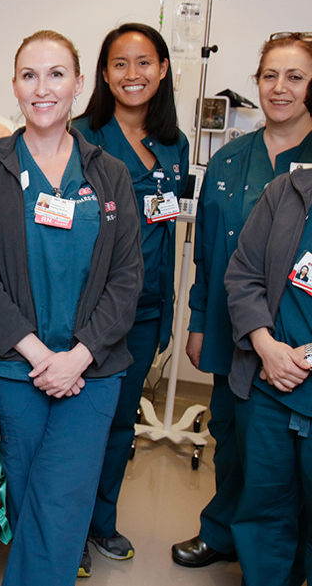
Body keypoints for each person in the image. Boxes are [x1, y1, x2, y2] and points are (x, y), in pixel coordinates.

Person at [0, 30, 142, 586]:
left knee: (63, 504)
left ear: (79, 84)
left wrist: (78, 357)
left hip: (93, 373)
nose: (43, 88)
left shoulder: (108, 174)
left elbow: (127, 278)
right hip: (18, 368)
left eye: (57, 74)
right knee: (29, 497)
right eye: (30, 75)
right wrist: (41, 355)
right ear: (15, 86)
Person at [179, 32, 312, 573]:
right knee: (233, 439)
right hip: (231, 324)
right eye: (269, 76)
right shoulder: (231, 159)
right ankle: (223, 532)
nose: (279, 88)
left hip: (298, 335)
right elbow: (210, 252)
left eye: (295, 77)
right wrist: (196, 320)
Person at [72, 23, 190, 573]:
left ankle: (100, 523)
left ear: (163, 70)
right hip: (87, 313)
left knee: (120, 426)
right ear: (103, 73)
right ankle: (65, 533)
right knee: (78, 428)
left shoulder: (174, 143)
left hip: (144, 311)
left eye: (145, 63)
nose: (132, 74)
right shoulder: (78, 137)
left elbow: (167, 231)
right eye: (120, 63)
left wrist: (168, 311)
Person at [224, 137, 312, 586]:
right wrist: (265, 344)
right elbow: (242, 274)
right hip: (268, 385)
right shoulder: (286, 192)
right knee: (264, 513)